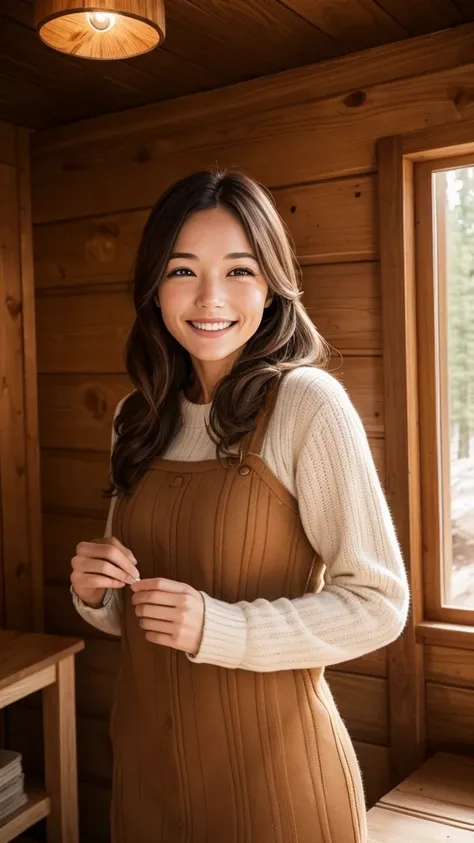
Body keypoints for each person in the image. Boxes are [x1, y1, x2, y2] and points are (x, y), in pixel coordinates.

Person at [70, 168, 409, 843]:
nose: (209, 297)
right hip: (147, 772)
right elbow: (131, 614)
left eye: (239, 270)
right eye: (182, 270)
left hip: (278, 783)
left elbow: (379, 603)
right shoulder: (134, 417)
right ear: (155, 288)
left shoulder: (307, 404)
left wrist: (219, 627)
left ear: (272, 283)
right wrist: (94, 593)